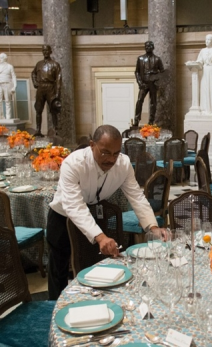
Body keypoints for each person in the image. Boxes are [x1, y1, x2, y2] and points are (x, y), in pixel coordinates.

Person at [47, 125, 166, 300]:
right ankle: (54, 308)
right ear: (92, 145)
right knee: (59, 268)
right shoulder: (73, 163)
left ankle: (94, 303)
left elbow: (137, 197)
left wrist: (153, 227)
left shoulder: (123, 164)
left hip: (94, 214)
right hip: (62, 216)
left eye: (116, 153)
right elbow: (74, 206)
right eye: (105, 152)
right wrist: (100, 237)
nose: (111, 159)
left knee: (94, 265)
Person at [32, 45, 61, 136]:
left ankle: (55, 130)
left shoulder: (55, 64)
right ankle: (38, 130)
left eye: (47, 50)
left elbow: (59, 79)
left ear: (50, 51)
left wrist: (57, 93)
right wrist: (35, 82)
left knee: (53, 109)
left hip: (50, 87)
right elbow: (33, 73)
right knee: (38, 109)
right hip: (41, 87)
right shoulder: (39, 64)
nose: (45, 52)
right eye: (43, 51)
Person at [134, 41, 165, 126]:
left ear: (153, 47)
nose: (147, 47)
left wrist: (156, 78)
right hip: (143, 84)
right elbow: (137, 72)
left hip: (153, 83)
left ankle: (151, 121)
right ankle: (136, 120)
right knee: (139, 101)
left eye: (149, 46)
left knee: (153, 102)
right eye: (146, 46)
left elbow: (162, 72)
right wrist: (140, 82)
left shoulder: (157, 59)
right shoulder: (140, 59)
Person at [0, 53, 16, 120]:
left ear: (4, 58)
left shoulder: (9, 66)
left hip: (7, 84)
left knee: (7, 101)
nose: (0, 59)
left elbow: (13, 76)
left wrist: (14, 86)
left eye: (1, 58)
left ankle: (8, 116)